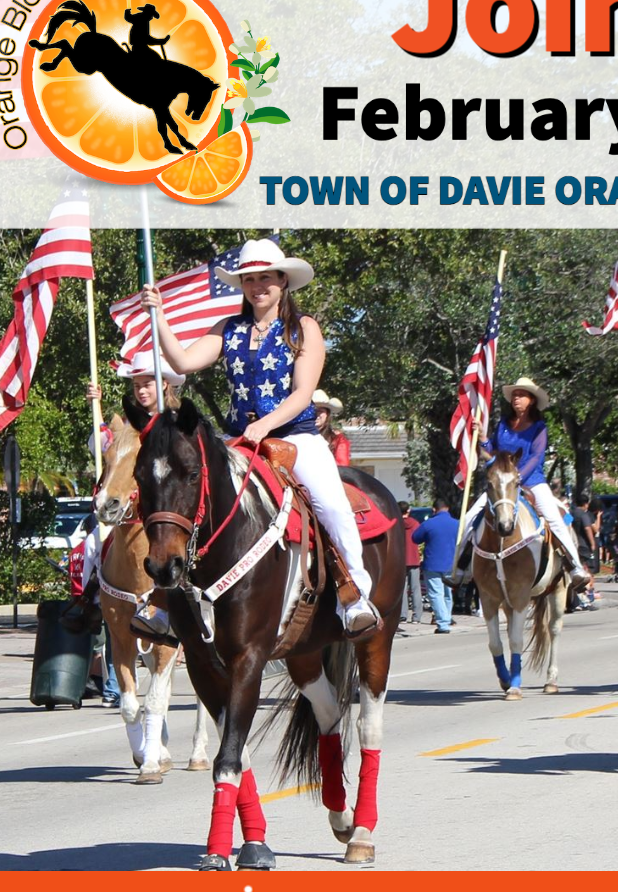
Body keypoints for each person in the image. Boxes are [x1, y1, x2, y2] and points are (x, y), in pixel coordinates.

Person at [136, 238, 380, 639]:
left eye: (266, 277)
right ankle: (164, 599)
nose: (257, 286)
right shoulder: (229, 329)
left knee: (331, 505)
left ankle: (354, 594)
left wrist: (266, 424)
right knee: (187, 496)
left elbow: (303, 392)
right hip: (238, 440)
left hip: (294, 438)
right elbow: (181, 362)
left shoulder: (303, 328)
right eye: (249, 279)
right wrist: (158, 316)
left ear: (283, 281)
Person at [61, 352, 186, 635]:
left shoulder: (174, 422)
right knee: (92, 546)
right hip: (128, 512)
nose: (141, 390)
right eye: (136, 385)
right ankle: (89, 602)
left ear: (164, 384)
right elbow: (104, 447)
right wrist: (97, 408)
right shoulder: (130, 425)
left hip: (166, 507)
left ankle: (197, 608)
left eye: (147, 383)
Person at [454, 377, 592, 592]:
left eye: (521, 395)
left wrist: (516, 476)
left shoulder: (539, 428)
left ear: (532, 401)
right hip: (503, 483)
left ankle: (575, 567)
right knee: (471, 516)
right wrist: (482, 436)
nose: (516, 399)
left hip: (532, 481)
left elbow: (536, 457)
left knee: (555, 519)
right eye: (515, 395)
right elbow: (493, 452)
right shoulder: (503, 425)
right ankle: (460, 568)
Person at [412, 499, 458, 633]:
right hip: (451, 564)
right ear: (448, 508)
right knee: (448, 594)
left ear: (434, 509)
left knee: (436, 594)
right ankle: (447, 617)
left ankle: (443, 624)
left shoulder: (428, 524)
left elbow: (415, 538)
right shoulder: (457, 524)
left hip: (432, 564)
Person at [570, 493, 598, 611]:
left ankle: (575, 600)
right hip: (583, 546)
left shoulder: (570, 513)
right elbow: (588, 528)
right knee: (586, 573)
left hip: (572, 544)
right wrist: (592, 543)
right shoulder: (583, 514)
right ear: (586, 504)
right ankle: (586, 599)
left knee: (575, 572)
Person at [312, 389, 351, 466]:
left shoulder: (338, 440)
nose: (316, 414)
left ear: (327, 414)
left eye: (320, 411)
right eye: (313, 410)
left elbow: (342, 466)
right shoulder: (298, 437)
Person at [399, 501, 422, 624]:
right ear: (408, 510)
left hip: (401, 560)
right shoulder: (415, 523)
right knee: (415, 588)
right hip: (413, 559)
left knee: (402, 589)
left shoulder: (396, 523)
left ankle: (403, 615)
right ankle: (416, 616)